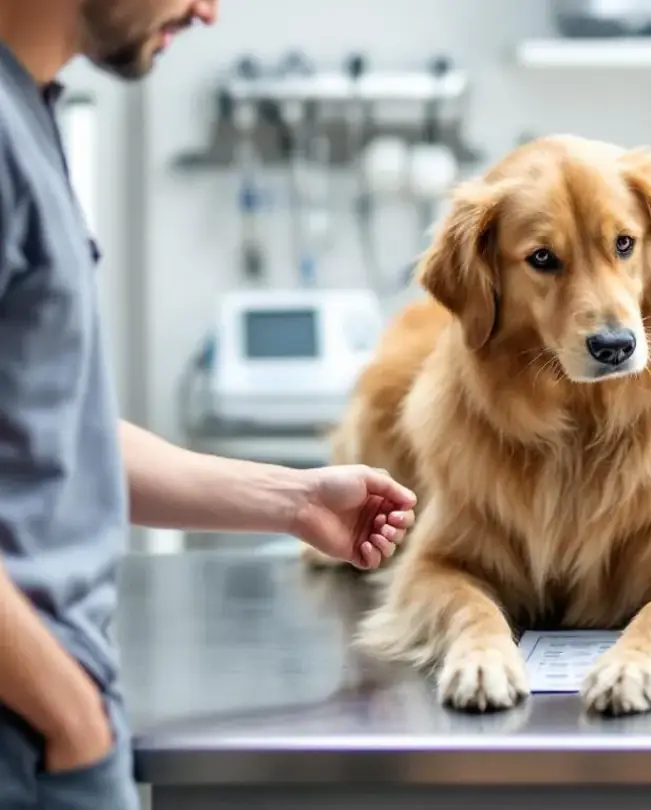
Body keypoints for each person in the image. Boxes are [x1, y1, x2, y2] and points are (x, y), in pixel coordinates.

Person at [0, 1, 417, 808]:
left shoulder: (28, 112)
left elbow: (46, 434)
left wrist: (294, 499)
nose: (207, 9)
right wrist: (69, 719)